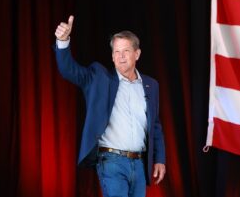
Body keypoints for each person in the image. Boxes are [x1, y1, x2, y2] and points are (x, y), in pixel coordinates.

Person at [54, 15, 166, 197]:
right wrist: (63, 40)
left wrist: (160, 159)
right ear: (112, 56)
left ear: (137, 54)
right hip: (111, 162)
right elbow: (69, 70)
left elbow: (155, 125)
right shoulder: (100, 77)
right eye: (116, 52)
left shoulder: (151, 85)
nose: (120, 57)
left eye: (126, 51)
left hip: (139, 163)